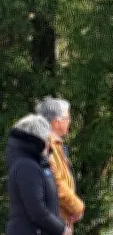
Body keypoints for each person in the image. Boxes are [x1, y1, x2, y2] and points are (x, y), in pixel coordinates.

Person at [5, 114, 69, 235]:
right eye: (47, 138)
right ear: (39, 140)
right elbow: (36, 209)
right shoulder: (26, 166)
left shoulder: (36, 164)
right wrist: (61, 229)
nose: (50, 143)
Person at [36, 97, 85, 231]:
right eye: (67, 118)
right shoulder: (46, 146)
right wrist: (77, 207)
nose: (70, 121)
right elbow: (55, 184)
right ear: (56, 122)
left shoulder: (54, 145)